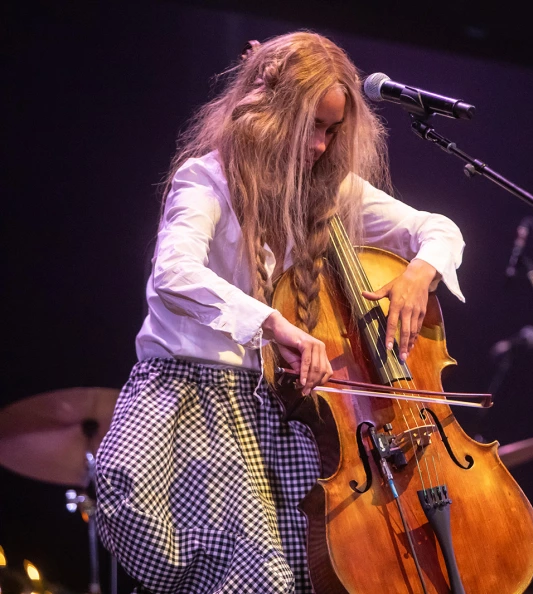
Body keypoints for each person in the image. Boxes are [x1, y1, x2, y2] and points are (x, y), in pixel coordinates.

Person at [94, 30, 465, 593]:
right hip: (196, 395)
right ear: (273, 115)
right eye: (311, 126)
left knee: (294, 576)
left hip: (276, 411)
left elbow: (436, 228)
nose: (320, 145)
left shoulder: (330, 192)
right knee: (255, 577)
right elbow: (172, 274)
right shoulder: (207, 179)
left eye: (331, 131)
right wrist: (271, 321)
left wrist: (420, 272)